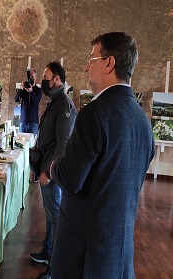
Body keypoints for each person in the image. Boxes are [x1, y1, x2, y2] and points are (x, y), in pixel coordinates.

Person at [48, 32, 155, 279]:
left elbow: (71, 178)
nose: (86, 68)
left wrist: (53, 166)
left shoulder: (94, 114)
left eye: (92, 59)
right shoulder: (142, 121)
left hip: (83, 255)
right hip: (119, 252)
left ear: (109, 63)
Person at [29, 62, 77, 279]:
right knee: (50, 214)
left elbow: (64, 144)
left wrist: (48, 172)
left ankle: (56, 266)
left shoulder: (64, 105)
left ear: (56, 79)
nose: (44, 82)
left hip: (52, 169)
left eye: (46, 77)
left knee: (55, 215)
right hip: (45, 164)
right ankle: (47, 251)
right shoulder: (53, 101)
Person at [14, 68, 42, 135]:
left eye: (32, 77)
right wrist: (21, 89)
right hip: (23, 122)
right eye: (29, 77)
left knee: (32, 145)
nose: (30, 79)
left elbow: (36, 102)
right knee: (21, 144)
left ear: (35, 78)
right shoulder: (24, 90)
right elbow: (16, 99)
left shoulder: (38, 90)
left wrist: (31, 91)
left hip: (33, 123)